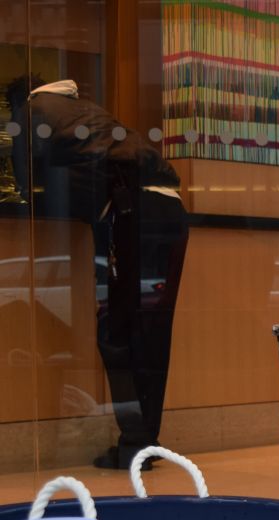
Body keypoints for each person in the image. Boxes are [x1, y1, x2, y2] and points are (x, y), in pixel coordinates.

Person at [6, 75, 189, 470]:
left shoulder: (32, 111)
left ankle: (137, 443)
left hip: (130, 213)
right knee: (150, 332)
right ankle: (142, 442)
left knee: (117, 332)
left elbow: (24, 182)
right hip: (169, 209)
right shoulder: (84, 108)